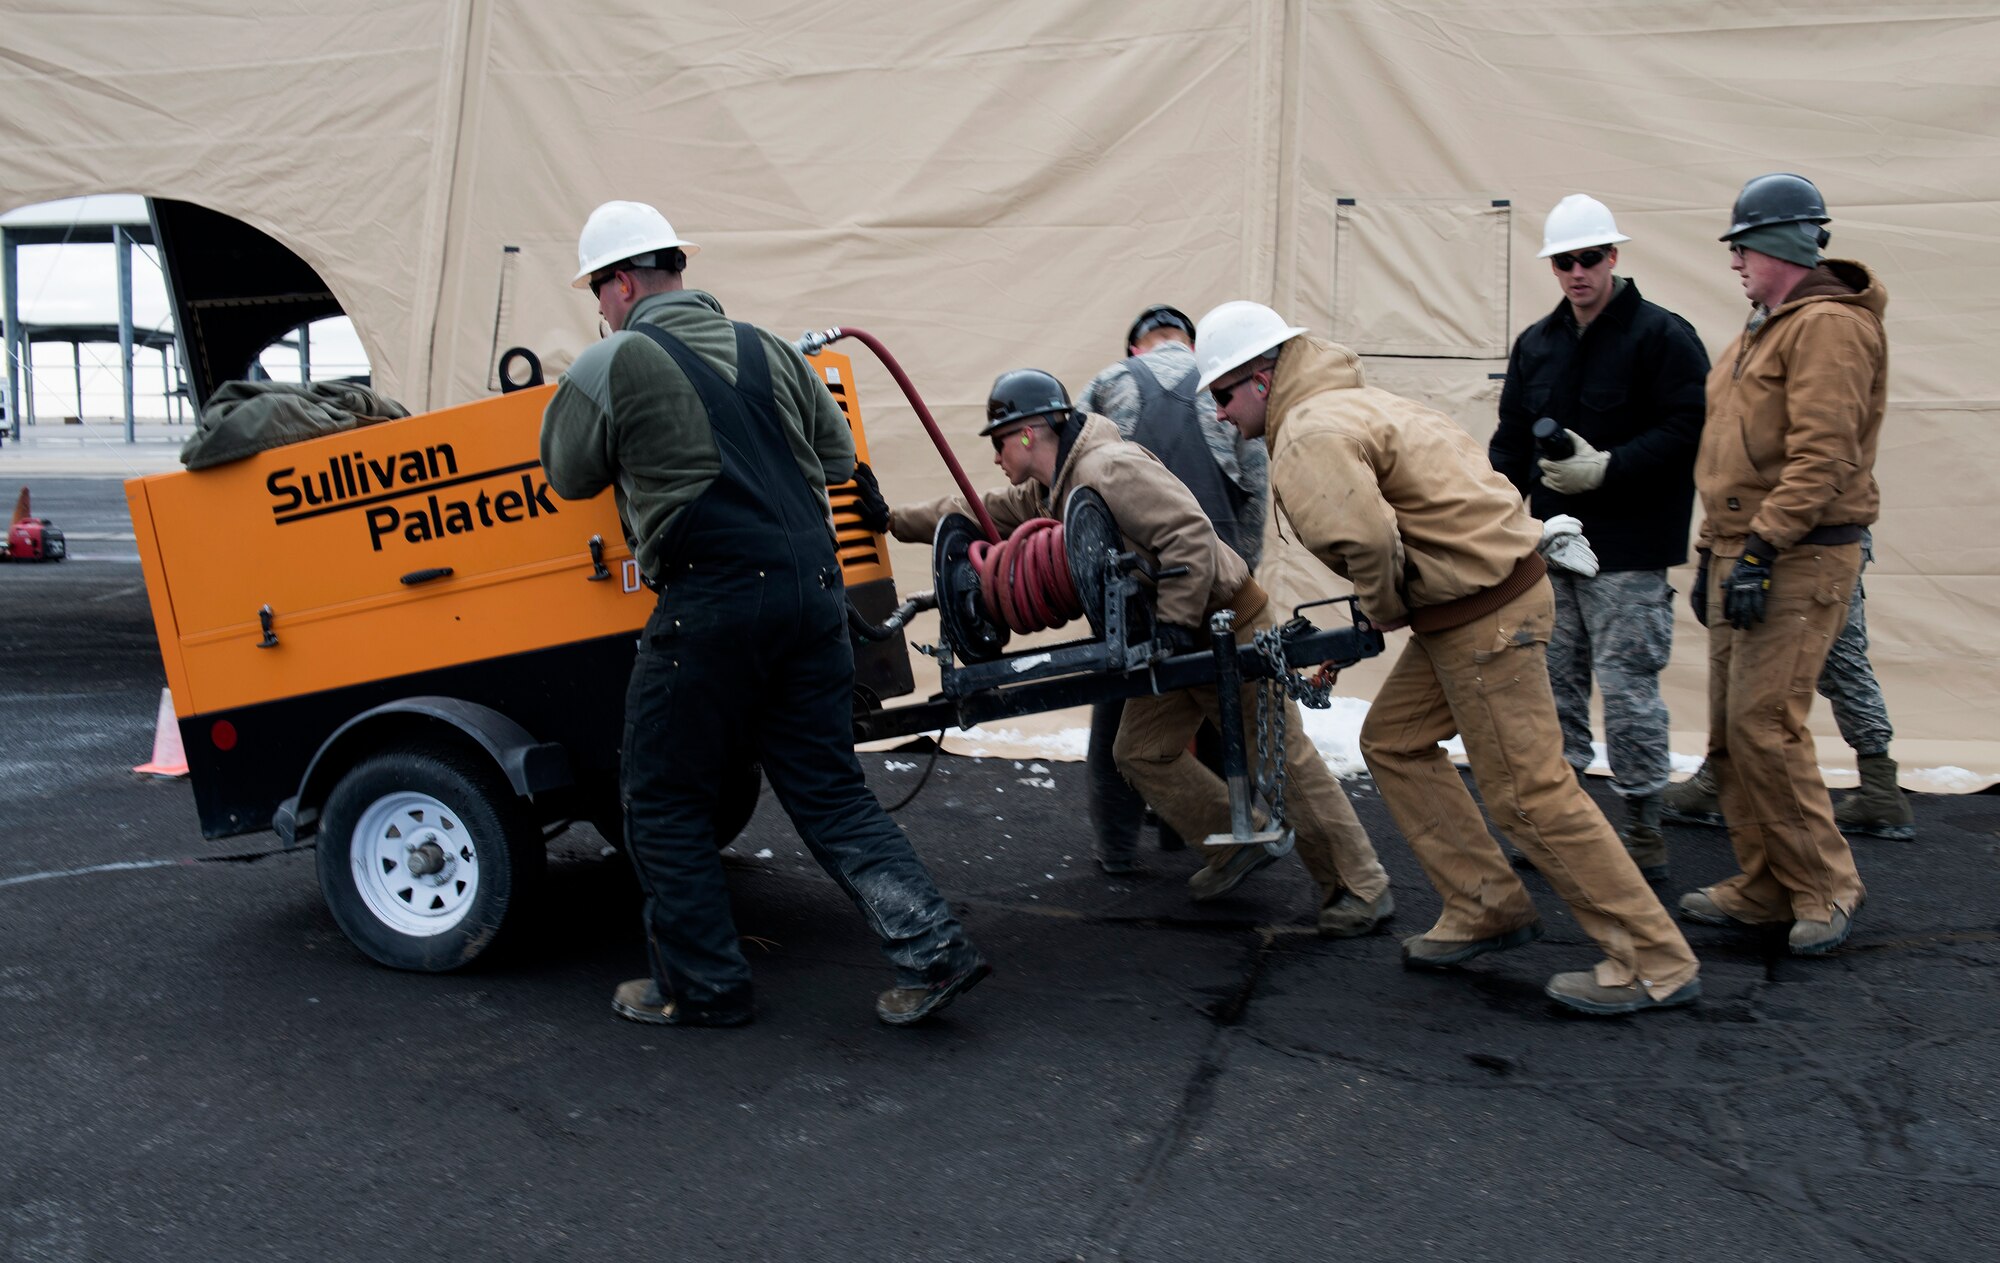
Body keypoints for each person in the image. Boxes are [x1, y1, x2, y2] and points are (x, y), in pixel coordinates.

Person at [539, 200, 988, 1029]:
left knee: (665, 796)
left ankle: (703, 985)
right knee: (829, 791)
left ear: (624, 282)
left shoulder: (613, 361)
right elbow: (838, 457)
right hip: (815, 598)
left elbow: (567, 474)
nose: (598, 308)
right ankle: (933, 949)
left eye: (597, 292)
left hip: (712, 601)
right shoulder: (770, 348)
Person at [1192, 299, 1701, 1017]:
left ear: (1263, 380)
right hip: (1483, 602)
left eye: (1222, 394)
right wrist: (1397, 599)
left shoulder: (1309, 429)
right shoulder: (1355, 402)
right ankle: (1486, 904)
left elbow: (1365, 539)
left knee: (1530, 795)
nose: (1219, 413)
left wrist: (1383, 600)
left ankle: (1653, 959)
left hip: (1482, 616)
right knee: (1394, 739)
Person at [883, 369, 1394, 937]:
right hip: (1176, 632)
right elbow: (979, 511)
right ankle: (1237, 842)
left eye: (999, 440)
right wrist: (889, 520)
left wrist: (1175, 622)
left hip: (1226, 623)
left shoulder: (1108, 469)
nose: (997, 454)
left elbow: (1190, 536)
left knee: (1280, 758)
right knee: (1142, 751)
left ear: (1028, 434)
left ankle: (1360, 888)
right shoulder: (1052, 487)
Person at [1676, 173, 1883, 955]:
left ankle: (1826, 885)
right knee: (1733, 730)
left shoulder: (1828, 326)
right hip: (1743, 550)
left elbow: (1823, 455)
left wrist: (1762, 548)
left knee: (1768, 724)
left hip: (1798, 554)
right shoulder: (1766, 326)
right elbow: (1731, 455)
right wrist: (1711, 554)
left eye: (1743, 245)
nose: (1733, 259)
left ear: (1782, 244)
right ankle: (1766, 880)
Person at [1489, 195, 1710, 883]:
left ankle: (1642, 824)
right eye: (1565, 261)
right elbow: (1511, 444)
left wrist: (1610, 467)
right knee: (1552, 690)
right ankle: (1562, 822)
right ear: (1552, 266)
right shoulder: (1537, 344)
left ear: (1614, 256)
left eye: (1590, 258)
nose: (1578, 272)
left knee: (1628, 689)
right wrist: (1492, 520)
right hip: (1553, 546)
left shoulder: (1663, 337)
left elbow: (1689, 428)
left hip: (1629, 552)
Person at [1073, 304, 1271, 874]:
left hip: (1130, 587)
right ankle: (1205, 843)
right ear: (1189, 344)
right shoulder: (1221, 385)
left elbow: (1072, 485)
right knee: (1220, 712)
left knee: (1121, 713)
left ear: (1137, 347)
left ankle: (1115, 851)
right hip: (1216, 581)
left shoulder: (1110, 382)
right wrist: (1237, 572)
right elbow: (1255, 487)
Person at [1663, 532, 1914, 840]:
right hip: (1785, 544)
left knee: (1786, 663)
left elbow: (1800, 492)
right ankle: (1880, 790)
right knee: (1832, 663)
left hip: (1803, 548)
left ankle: (1879, 792)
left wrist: (1753, 557)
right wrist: (1708, 555)